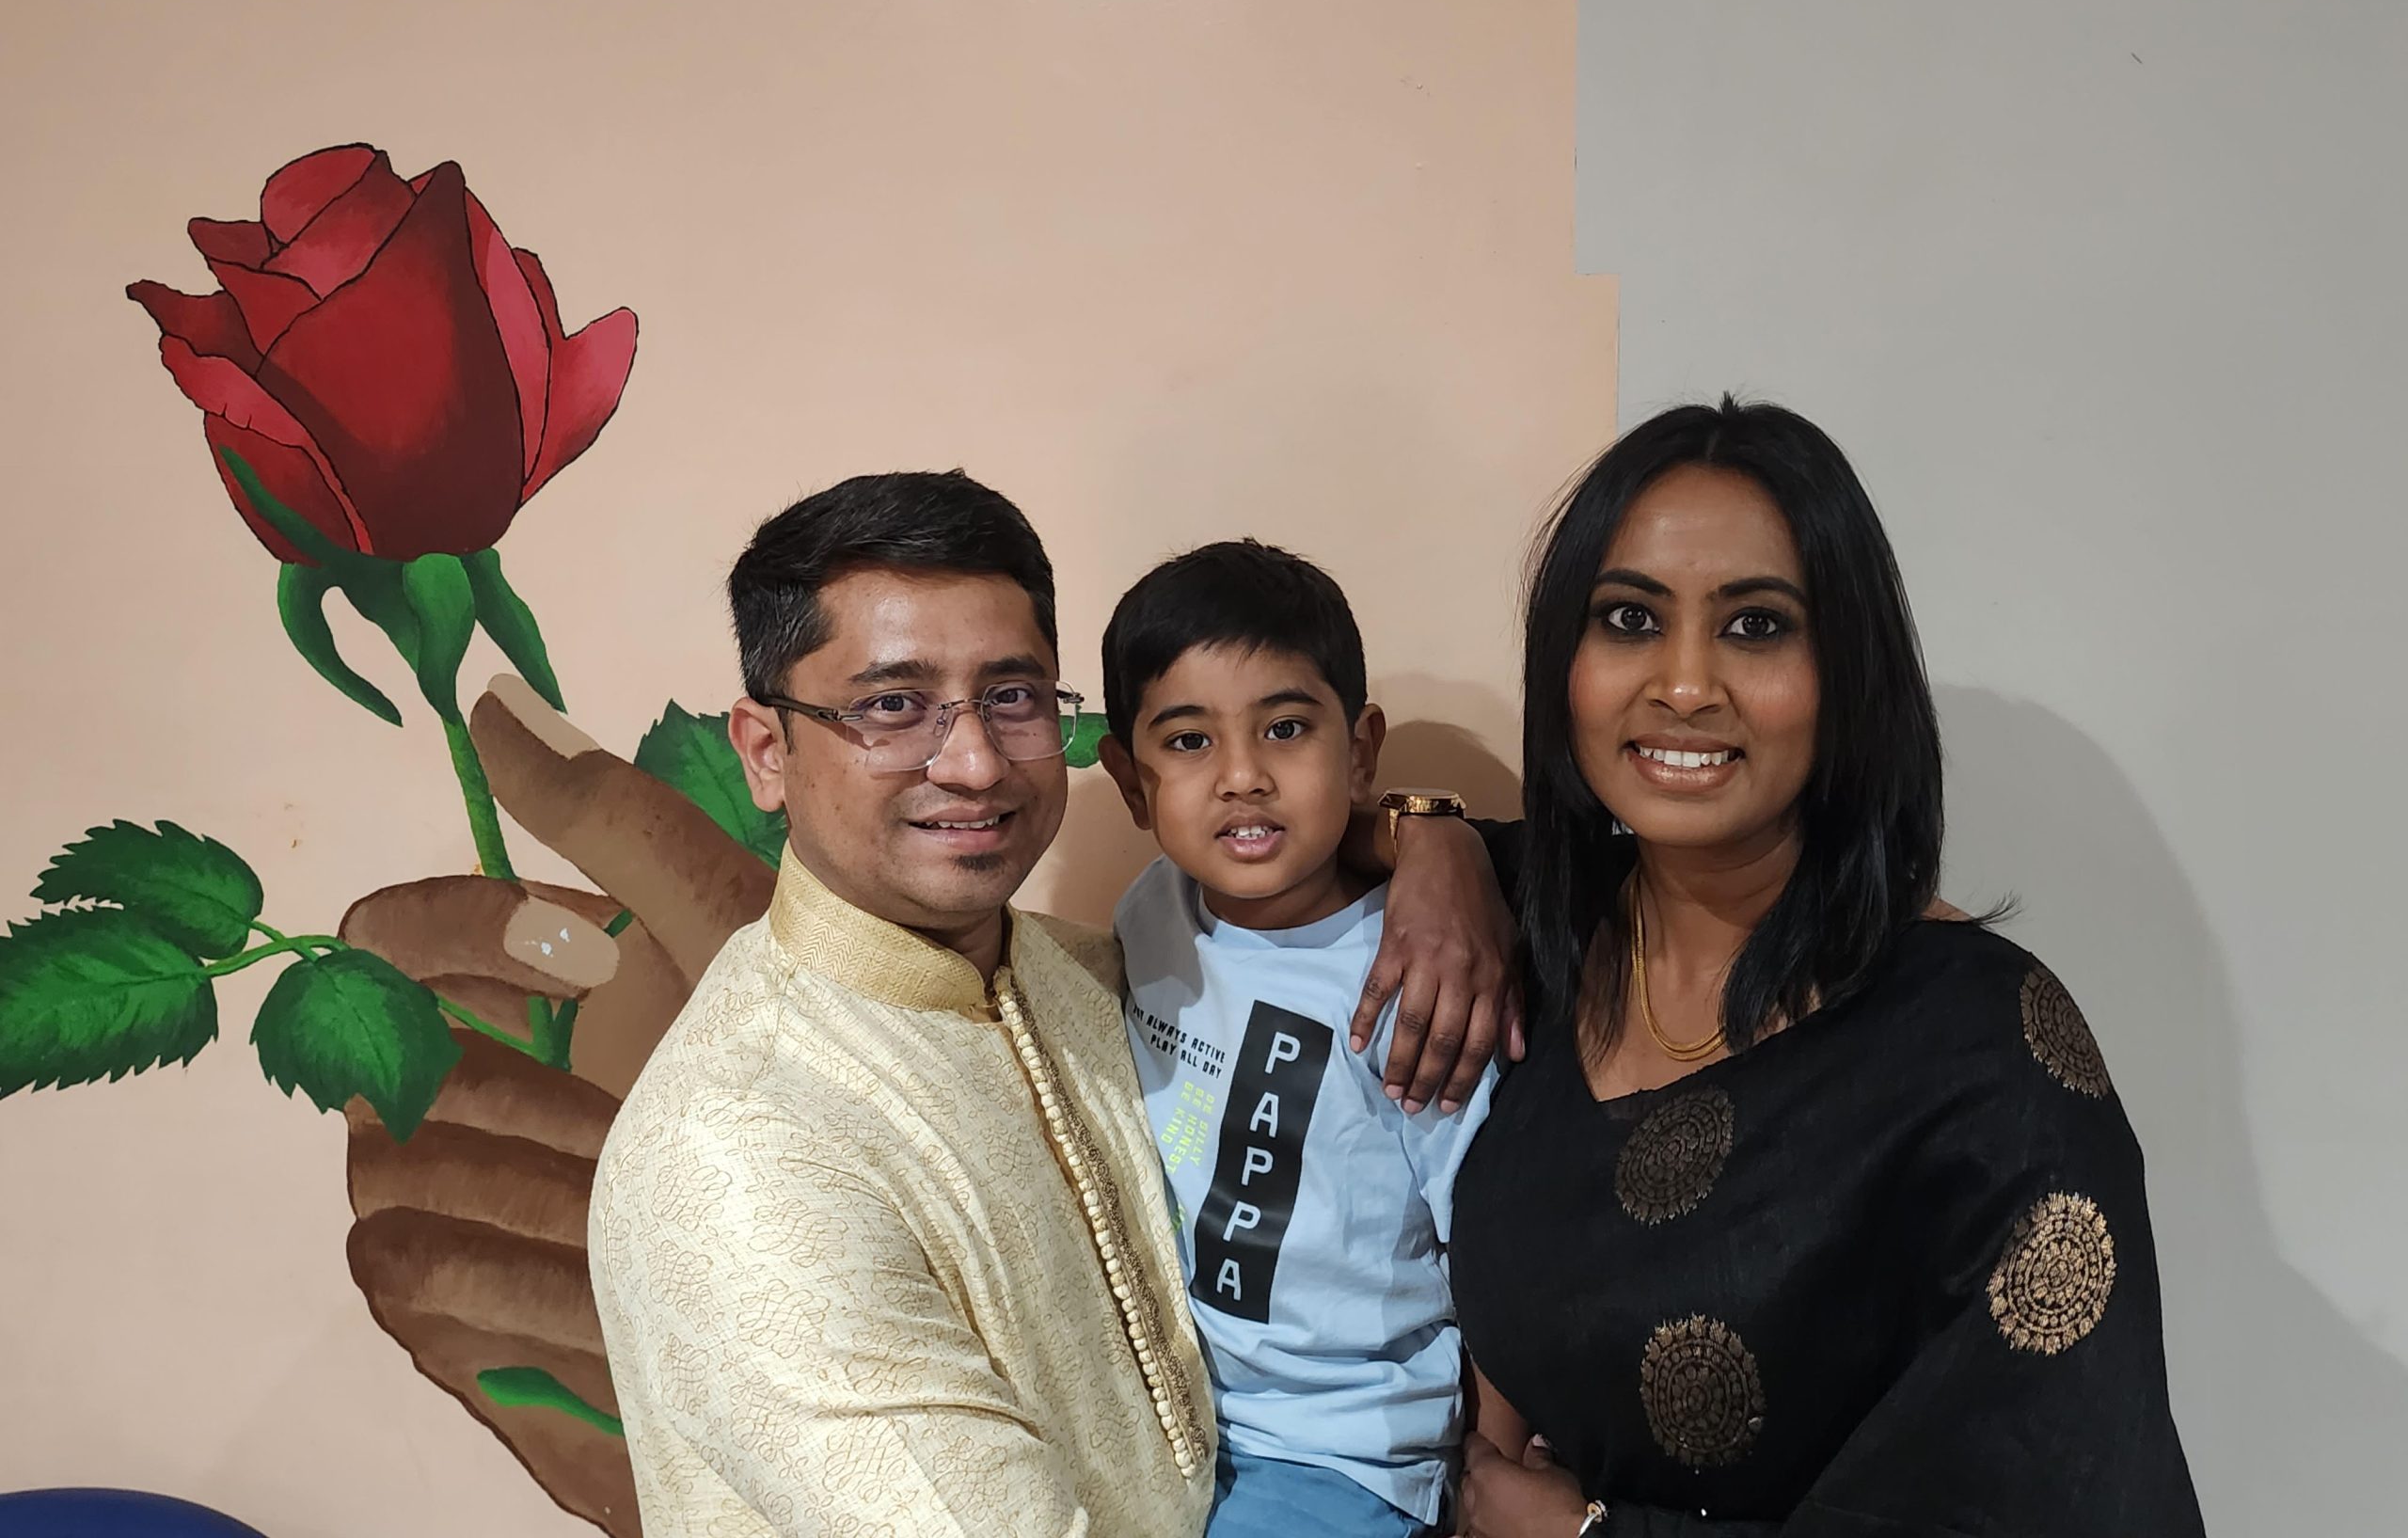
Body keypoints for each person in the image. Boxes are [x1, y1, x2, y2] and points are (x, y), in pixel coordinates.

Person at [585, 472, 1513, 1537]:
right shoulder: (738, 1157)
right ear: (765, 752)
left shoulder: (1086, 972)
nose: (975, 763)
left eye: (1013, 697)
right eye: (892, 705)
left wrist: (1434, 841)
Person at [1448, 400, 2203, 1536]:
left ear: (1847, 671)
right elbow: (1295, 823)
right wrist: (1429, 838)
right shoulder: (1543, 938)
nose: (1685, 685)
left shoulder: (1981, 1061)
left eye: (1755, 626)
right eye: (1628, 619)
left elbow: (2064, 1498)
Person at [1097, 542, 1498, 1538]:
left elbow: (1490, 1244)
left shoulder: (1414, 974)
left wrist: (1490, 1465)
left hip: (1342, 1448)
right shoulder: (1151, 909)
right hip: (1174, 1415)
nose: (1243, 777)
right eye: (1189, 741)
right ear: (1131, 783)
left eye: (1284, 729)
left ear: (1360, 752)